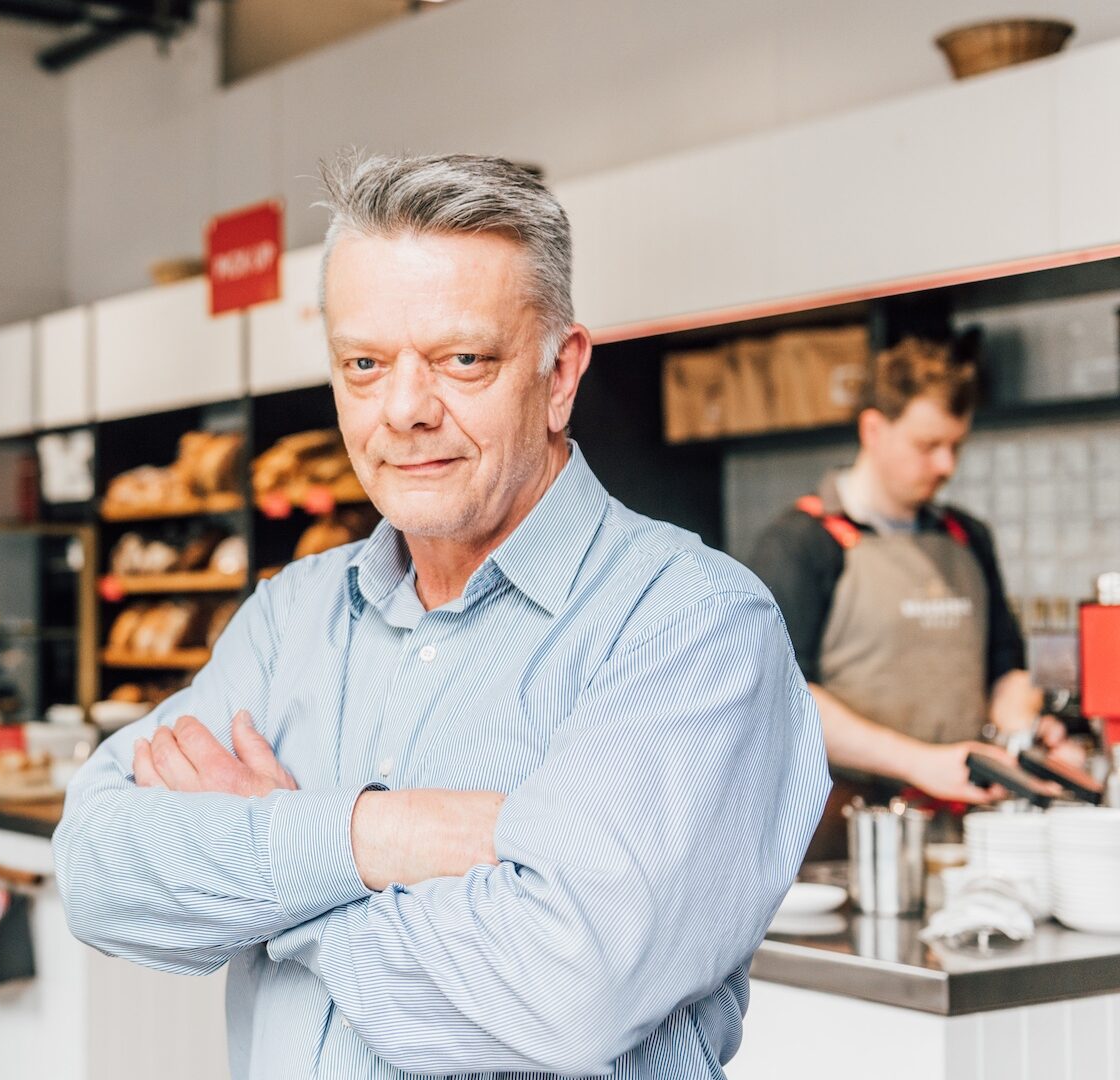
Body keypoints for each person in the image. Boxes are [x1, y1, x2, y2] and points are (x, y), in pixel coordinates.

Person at [52, 152, 829, 1079]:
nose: (406, 410)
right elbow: (99, 871)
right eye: (365, 365)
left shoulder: (689, 628)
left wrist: (277, 857)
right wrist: (383, 835)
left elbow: (562, 995)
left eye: (464, 360)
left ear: (559, 374)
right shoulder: (290, 617)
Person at [746, 336, 1078, 854]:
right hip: (845, 827)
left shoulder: (969, 537)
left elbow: (1006, 667)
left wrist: (1022, 733)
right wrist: (920, 763)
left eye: (956, 446)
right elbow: (786, 699)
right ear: (874, 430)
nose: (946, 464)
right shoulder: (800, 541)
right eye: (928, 446)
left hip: (964, 821)